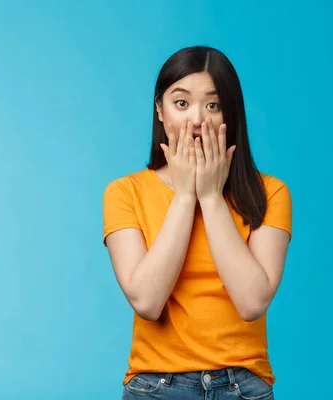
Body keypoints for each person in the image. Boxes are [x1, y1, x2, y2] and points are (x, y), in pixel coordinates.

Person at [102, 46, 292, 400]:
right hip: (156, 387)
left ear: (230, 115)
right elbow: (146, 300)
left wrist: (211, 197)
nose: (196, 120)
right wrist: (186, 196)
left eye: (213, 105)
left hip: (243, 387)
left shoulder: (271, 192)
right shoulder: (124, 192)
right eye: (181, 103)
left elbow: (252, 303)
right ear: (160, 109)